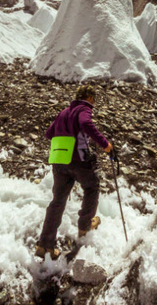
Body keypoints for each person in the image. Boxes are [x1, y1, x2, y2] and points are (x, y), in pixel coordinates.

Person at [35, 85, 112, 259]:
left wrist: (66, 134)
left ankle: (44, 245)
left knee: (58, 201)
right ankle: (85, 226)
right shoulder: (84, 109)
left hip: (60, 161)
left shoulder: (63, 112)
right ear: (90, 98)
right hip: (79, 160)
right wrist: (105, 144)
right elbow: (86, 123)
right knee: (91, 187)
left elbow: (49, 134)